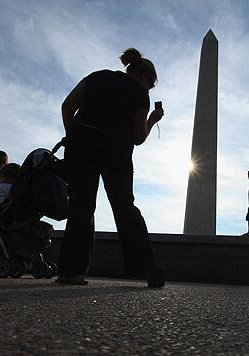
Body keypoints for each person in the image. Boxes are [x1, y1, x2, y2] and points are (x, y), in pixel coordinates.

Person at [56, 48, 165, 286]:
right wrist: (152, 120)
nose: (150, 89)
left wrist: (73, 134)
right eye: (151, 84)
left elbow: (67, 106)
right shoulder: (139, 93)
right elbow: (138, 137)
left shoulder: (97, 76)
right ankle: (145, 269)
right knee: (125, 207)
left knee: (81, 207)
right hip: (116, 152)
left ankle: (72, 271)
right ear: (144, 76)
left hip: (81, 146)